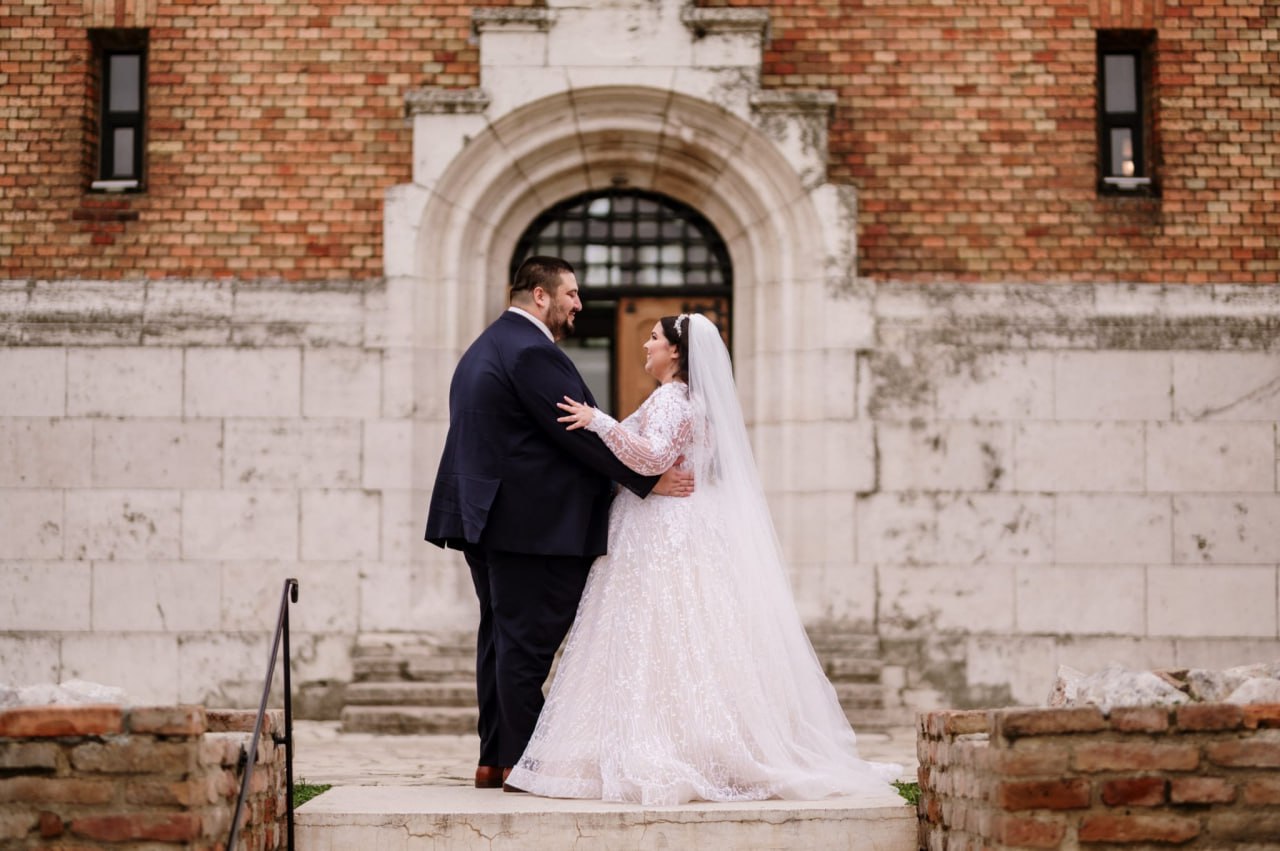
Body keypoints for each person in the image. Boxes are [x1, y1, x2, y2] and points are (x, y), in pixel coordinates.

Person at [504, 313, 902, 805]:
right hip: (670, 524)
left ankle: (666, 744)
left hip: (661, 532)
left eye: (654, 338)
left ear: (675, 351)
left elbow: (652, 457)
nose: (646, 345)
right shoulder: (685, 400)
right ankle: (682, 738)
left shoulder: (674, 399)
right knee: (672, 636)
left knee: (659, 632)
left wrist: (597, 421)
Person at [424, 257, 694, 790]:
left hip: (492, 521)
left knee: (501, 642)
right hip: (533, 529)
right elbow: (574, 431)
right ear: (541, 296)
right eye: (570, 293)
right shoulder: (531, 351)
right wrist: (647, 480)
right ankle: (523, 765)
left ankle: (494, 758)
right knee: (526, 647)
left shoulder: (486, 346)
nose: (578, 304)